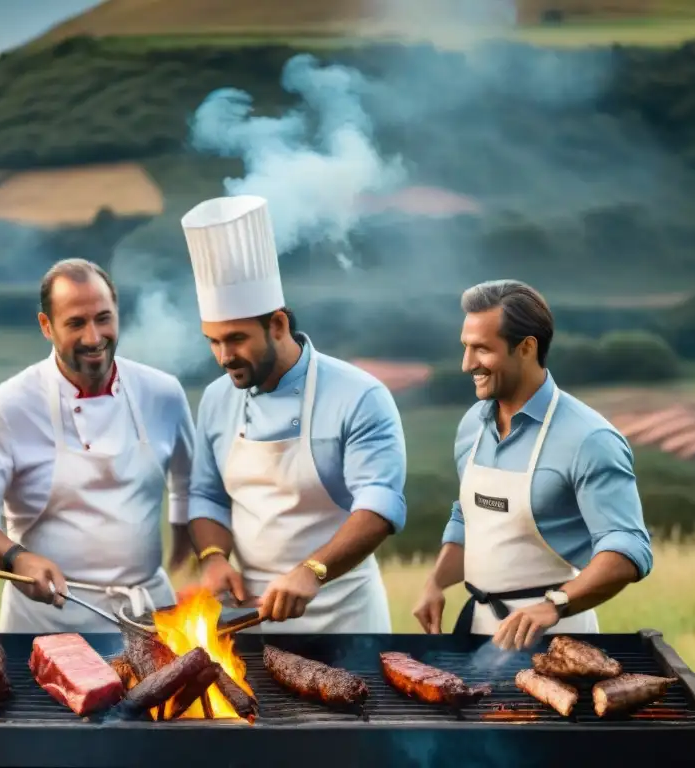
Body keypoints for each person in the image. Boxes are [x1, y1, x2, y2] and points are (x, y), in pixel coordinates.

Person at [180, 195, 407, 633]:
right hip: (249, 620)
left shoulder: (360, 396)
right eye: (212, 341)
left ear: (278, 325)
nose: (224, 356)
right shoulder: (216, 399)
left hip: (345, 616)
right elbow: (206, 496)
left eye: (236, 338)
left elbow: (380, 505)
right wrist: (212, 557)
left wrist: (313, 570)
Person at [0, 258, 195, 633]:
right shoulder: (7, 406)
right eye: (76, 323)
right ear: (46, 326)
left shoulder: (163, 393)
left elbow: (193, 487)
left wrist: (189, 558)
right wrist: (16, 558)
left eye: (103, 318)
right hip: (49, 623)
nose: (94, 337)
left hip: (152, 617)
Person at [412, 280, 653, 650]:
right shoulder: (472, 425)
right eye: (465, 347)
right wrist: (436, 582)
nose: (467, 364)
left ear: (526, 347)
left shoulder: (589, 439)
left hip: (559, 642)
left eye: (481, 349)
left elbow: (628, 548)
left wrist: (553, 605)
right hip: (477, 631)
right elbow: (469, 518)